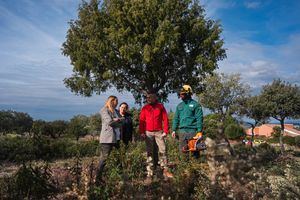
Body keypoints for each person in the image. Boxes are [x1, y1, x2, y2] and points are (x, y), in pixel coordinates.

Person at [139, 90, 173, 180]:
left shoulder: (160, 107)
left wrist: (166, 131)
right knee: (149, 152)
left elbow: (165, 119)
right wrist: (142, 132)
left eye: (150, 97)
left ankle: (165, 170)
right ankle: (150, 172)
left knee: (163, 150)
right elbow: (141, 121)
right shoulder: (145, 108)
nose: (148, 99)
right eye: (147, 98)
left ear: (155, 98)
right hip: (148, 133)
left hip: (159, 132)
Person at [95, 95, 123, 184]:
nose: (117, 103)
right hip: (107, 139)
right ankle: (98, 178)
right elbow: (110, 122)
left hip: (117, 138)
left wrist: (117, 120)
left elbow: (121, 122)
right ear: (111, 101)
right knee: (104, 159)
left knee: (118, 157)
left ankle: (120, 176)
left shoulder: (116, 111)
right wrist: (118, 120)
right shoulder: (104, 110)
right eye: (116, 101)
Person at [171, 85, 203, 159]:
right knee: (183, 152)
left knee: (194, 153)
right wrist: (174, 130)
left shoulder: (196, 105)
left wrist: (199, 131)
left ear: (188, 93)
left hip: (193, 132)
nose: (180, 95)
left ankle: (195, 168)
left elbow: (199, 119)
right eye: (180, 94)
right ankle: (185, 169)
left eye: (182, 94)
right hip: (182, 132)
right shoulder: (179, 106)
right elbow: (176, 118)